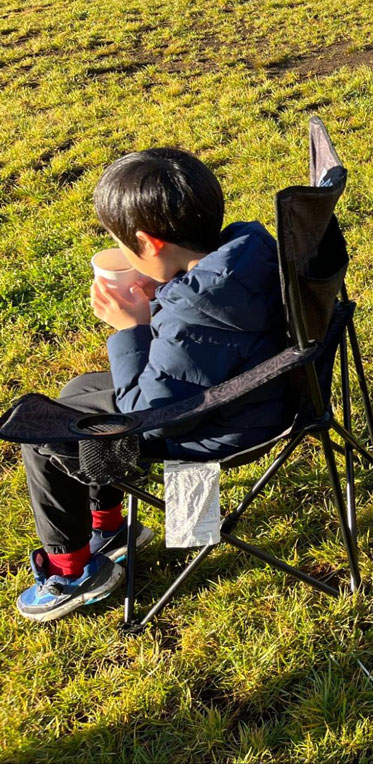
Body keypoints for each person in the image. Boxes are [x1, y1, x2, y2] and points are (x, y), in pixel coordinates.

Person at [17, 148, 288, 622]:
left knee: (43, 435)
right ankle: (109, 527)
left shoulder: (190, 315)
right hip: (264, 391)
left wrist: (132, 329)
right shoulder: (248, 251)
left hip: (221, 423)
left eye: (121, 244)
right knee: (81, 388)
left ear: (149, 243)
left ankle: (72, 571)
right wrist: (167, 294)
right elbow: (208, 335)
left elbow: (150, 420)